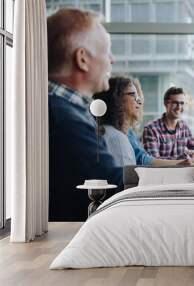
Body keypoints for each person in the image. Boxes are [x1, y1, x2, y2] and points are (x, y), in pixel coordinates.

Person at [48, 8, 122, 221]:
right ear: (82, 59)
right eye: (106, 52)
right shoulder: (64, 119)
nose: (112, 60)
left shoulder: (60, 109)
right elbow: (110, 184)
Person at [93, 76, 192, 166]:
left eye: (139, 97)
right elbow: (128, 175)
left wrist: (187, 159)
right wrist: (179, 163)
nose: (139, 101)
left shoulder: (127, 133)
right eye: (132, 95)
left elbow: (142, 159)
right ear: (116, 98)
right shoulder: (116, 137)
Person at [142, 86, 194, 161]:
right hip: (162, 172)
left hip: (184, 171)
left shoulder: (184, 127)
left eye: (182, 103)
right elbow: (153, 162)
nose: (179, 107)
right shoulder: (151, 129)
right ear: (166, 104)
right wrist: (187, 157)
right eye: (175, 103)